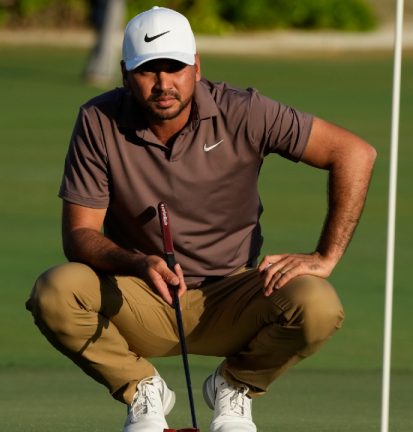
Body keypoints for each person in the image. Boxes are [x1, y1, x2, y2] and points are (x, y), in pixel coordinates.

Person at [26, 6, 377, 432]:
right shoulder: (98, 120)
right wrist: (138, 262)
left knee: (318, 305)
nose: (162, 84)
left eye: (173, 68)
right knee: (56, 291)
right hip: (140, 295)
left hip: (233, 295)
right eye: (146, 70)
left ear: (196, 66)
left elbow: (354, 153)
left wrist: (326, 255)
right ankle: (141, 390)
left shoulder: (244, 111)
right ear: (124, 73)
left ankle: (235, 386)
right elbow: (80, 235)